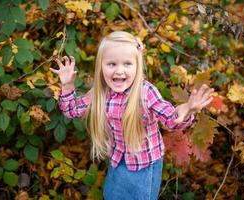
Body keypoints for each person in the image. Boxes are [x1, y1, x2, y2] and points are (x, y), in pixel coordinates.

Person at [51, 31, 214, 200]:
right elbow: (71, 110)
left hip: (144, 166)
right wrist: (68, 85)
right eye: (111, 64)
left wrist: (187, 108)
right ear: (101, 66)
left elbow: (171, 118)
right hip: (117, 160)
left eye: (127, 64)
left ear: (137, 66)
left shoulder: (145, 92)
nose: (119, 71)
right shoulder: (100, 93)